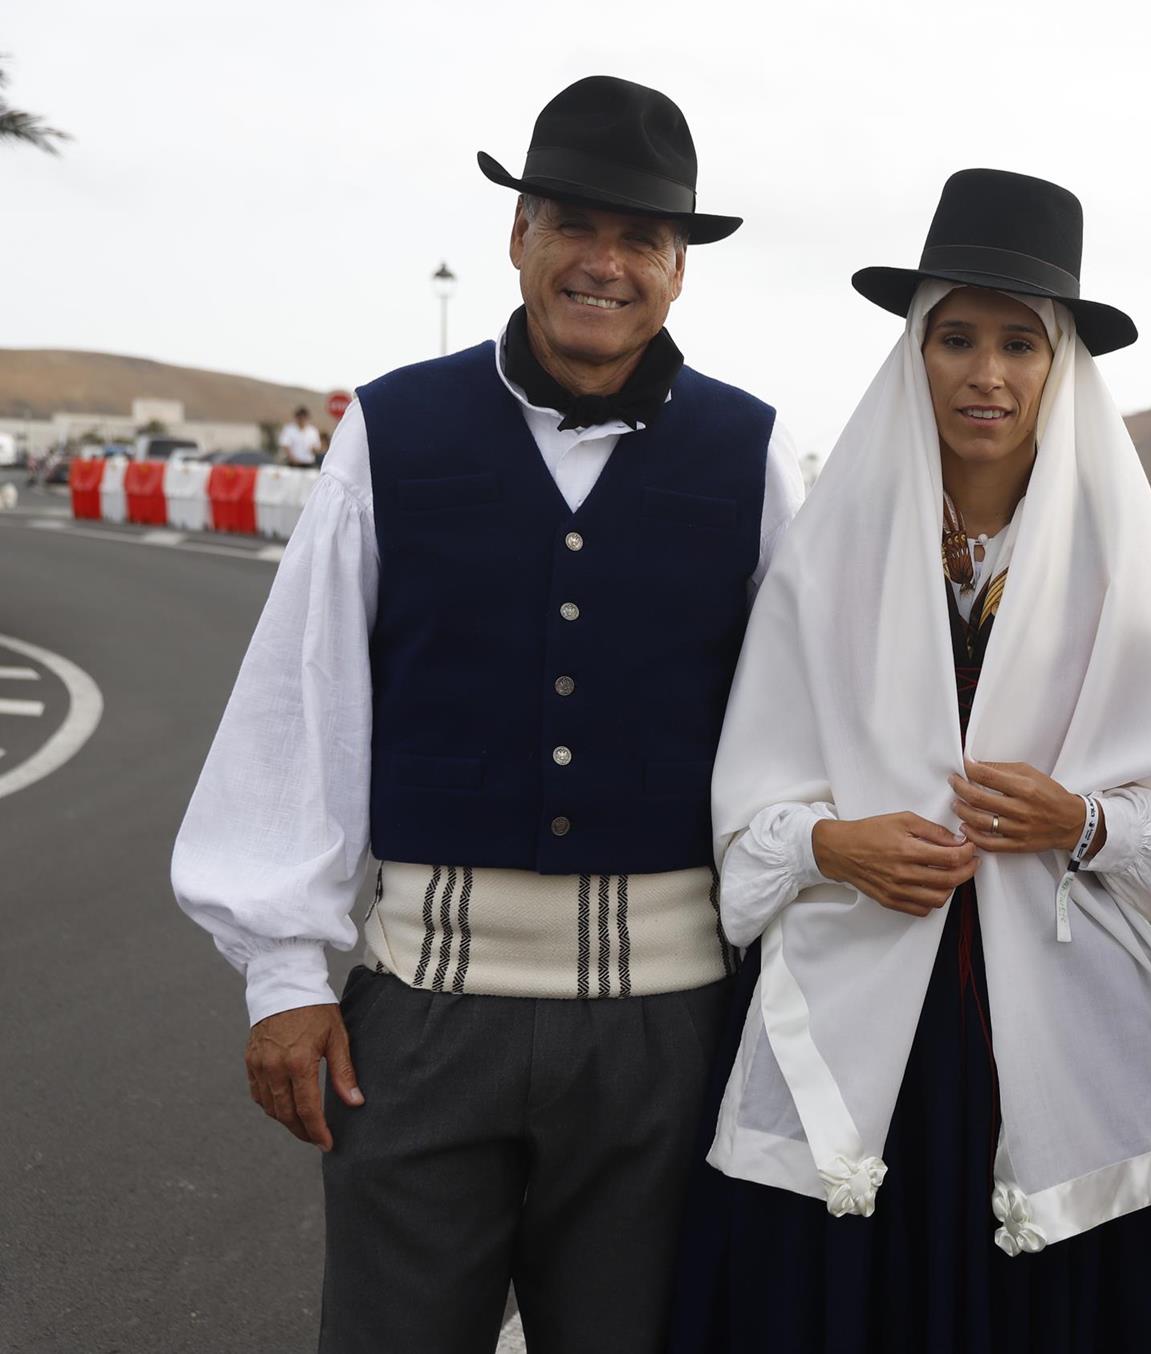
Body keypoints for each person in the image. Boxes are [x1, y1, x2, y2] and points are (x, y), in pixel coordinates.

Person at [171, 75, 804, 1353]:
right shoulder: (390, 430)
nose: (603, 263)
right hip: (425, 1016)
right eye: (572, 223)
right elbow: (303, 703)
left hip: (666, 1034)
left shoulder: (754, 455)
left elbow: (802, 732)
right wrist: (285, 976)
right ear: (519, 235)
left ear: (681, 269)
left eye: (641, 240)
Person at [669, 168, 1151, 1353]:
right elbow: (747, 815)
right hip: (866, 1014)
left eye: (1019, 344)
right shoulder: (827, 563)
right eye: (956, 339)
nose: (986, 374)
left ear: (1062, 368)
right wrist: (836, 842)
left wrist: (1078, 821)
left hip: (1062, 1032)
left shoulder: (1126, 580)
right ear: (916, 355)